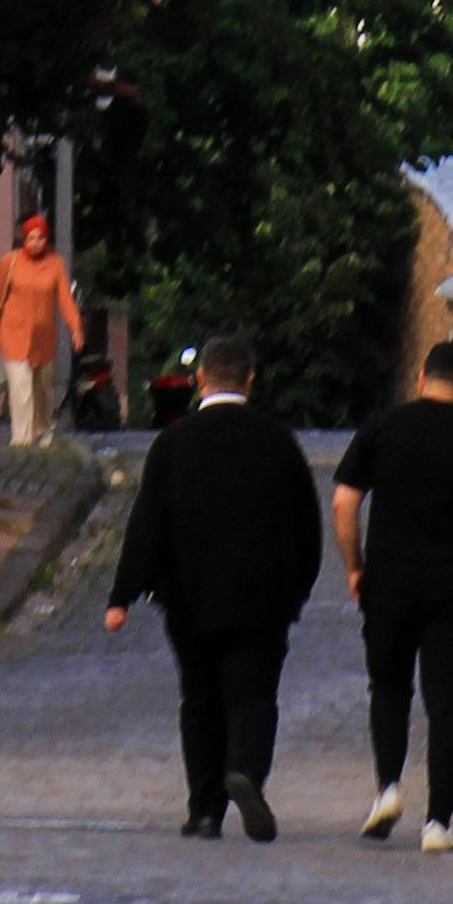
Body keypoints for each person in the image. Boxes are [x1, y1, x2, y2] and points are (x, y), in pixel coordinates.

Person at [105, 333, 325, 838]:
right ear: (249, 380)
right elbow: (305, 523)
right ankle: (245, 769)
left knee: (200, 699)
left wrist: (123, 595)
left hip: (189, 597)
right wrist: (299, 587)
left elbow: (147, 524)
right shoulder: (278, 442)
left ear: (200, 379)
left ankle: (205, 810)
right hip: (262, 599)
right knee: (253, 696)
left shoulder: (174, 444)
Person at [333, 336, 453, 853]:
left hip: (388, 583)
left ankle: (387, 789)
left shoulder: (382, 428)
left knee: (388, 689)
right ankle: (438, 822)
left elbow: (345, 502)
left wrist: (355, 566)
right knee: (447, 706)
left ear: (421, 378)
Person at [0, 205, 82, 446]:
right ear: (23, 239)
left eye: (40, 238)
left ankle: (43, 428)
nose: (35, 243)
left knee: (42, 390)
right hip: (13, 334)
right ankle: (22, 438)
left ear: (46, 239)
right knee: (20, 387)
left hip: (43, 338)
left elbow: (65, 301)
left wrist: (76, 328)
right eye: (31, 238)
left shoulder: (55, 264)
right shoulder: (11, 262)